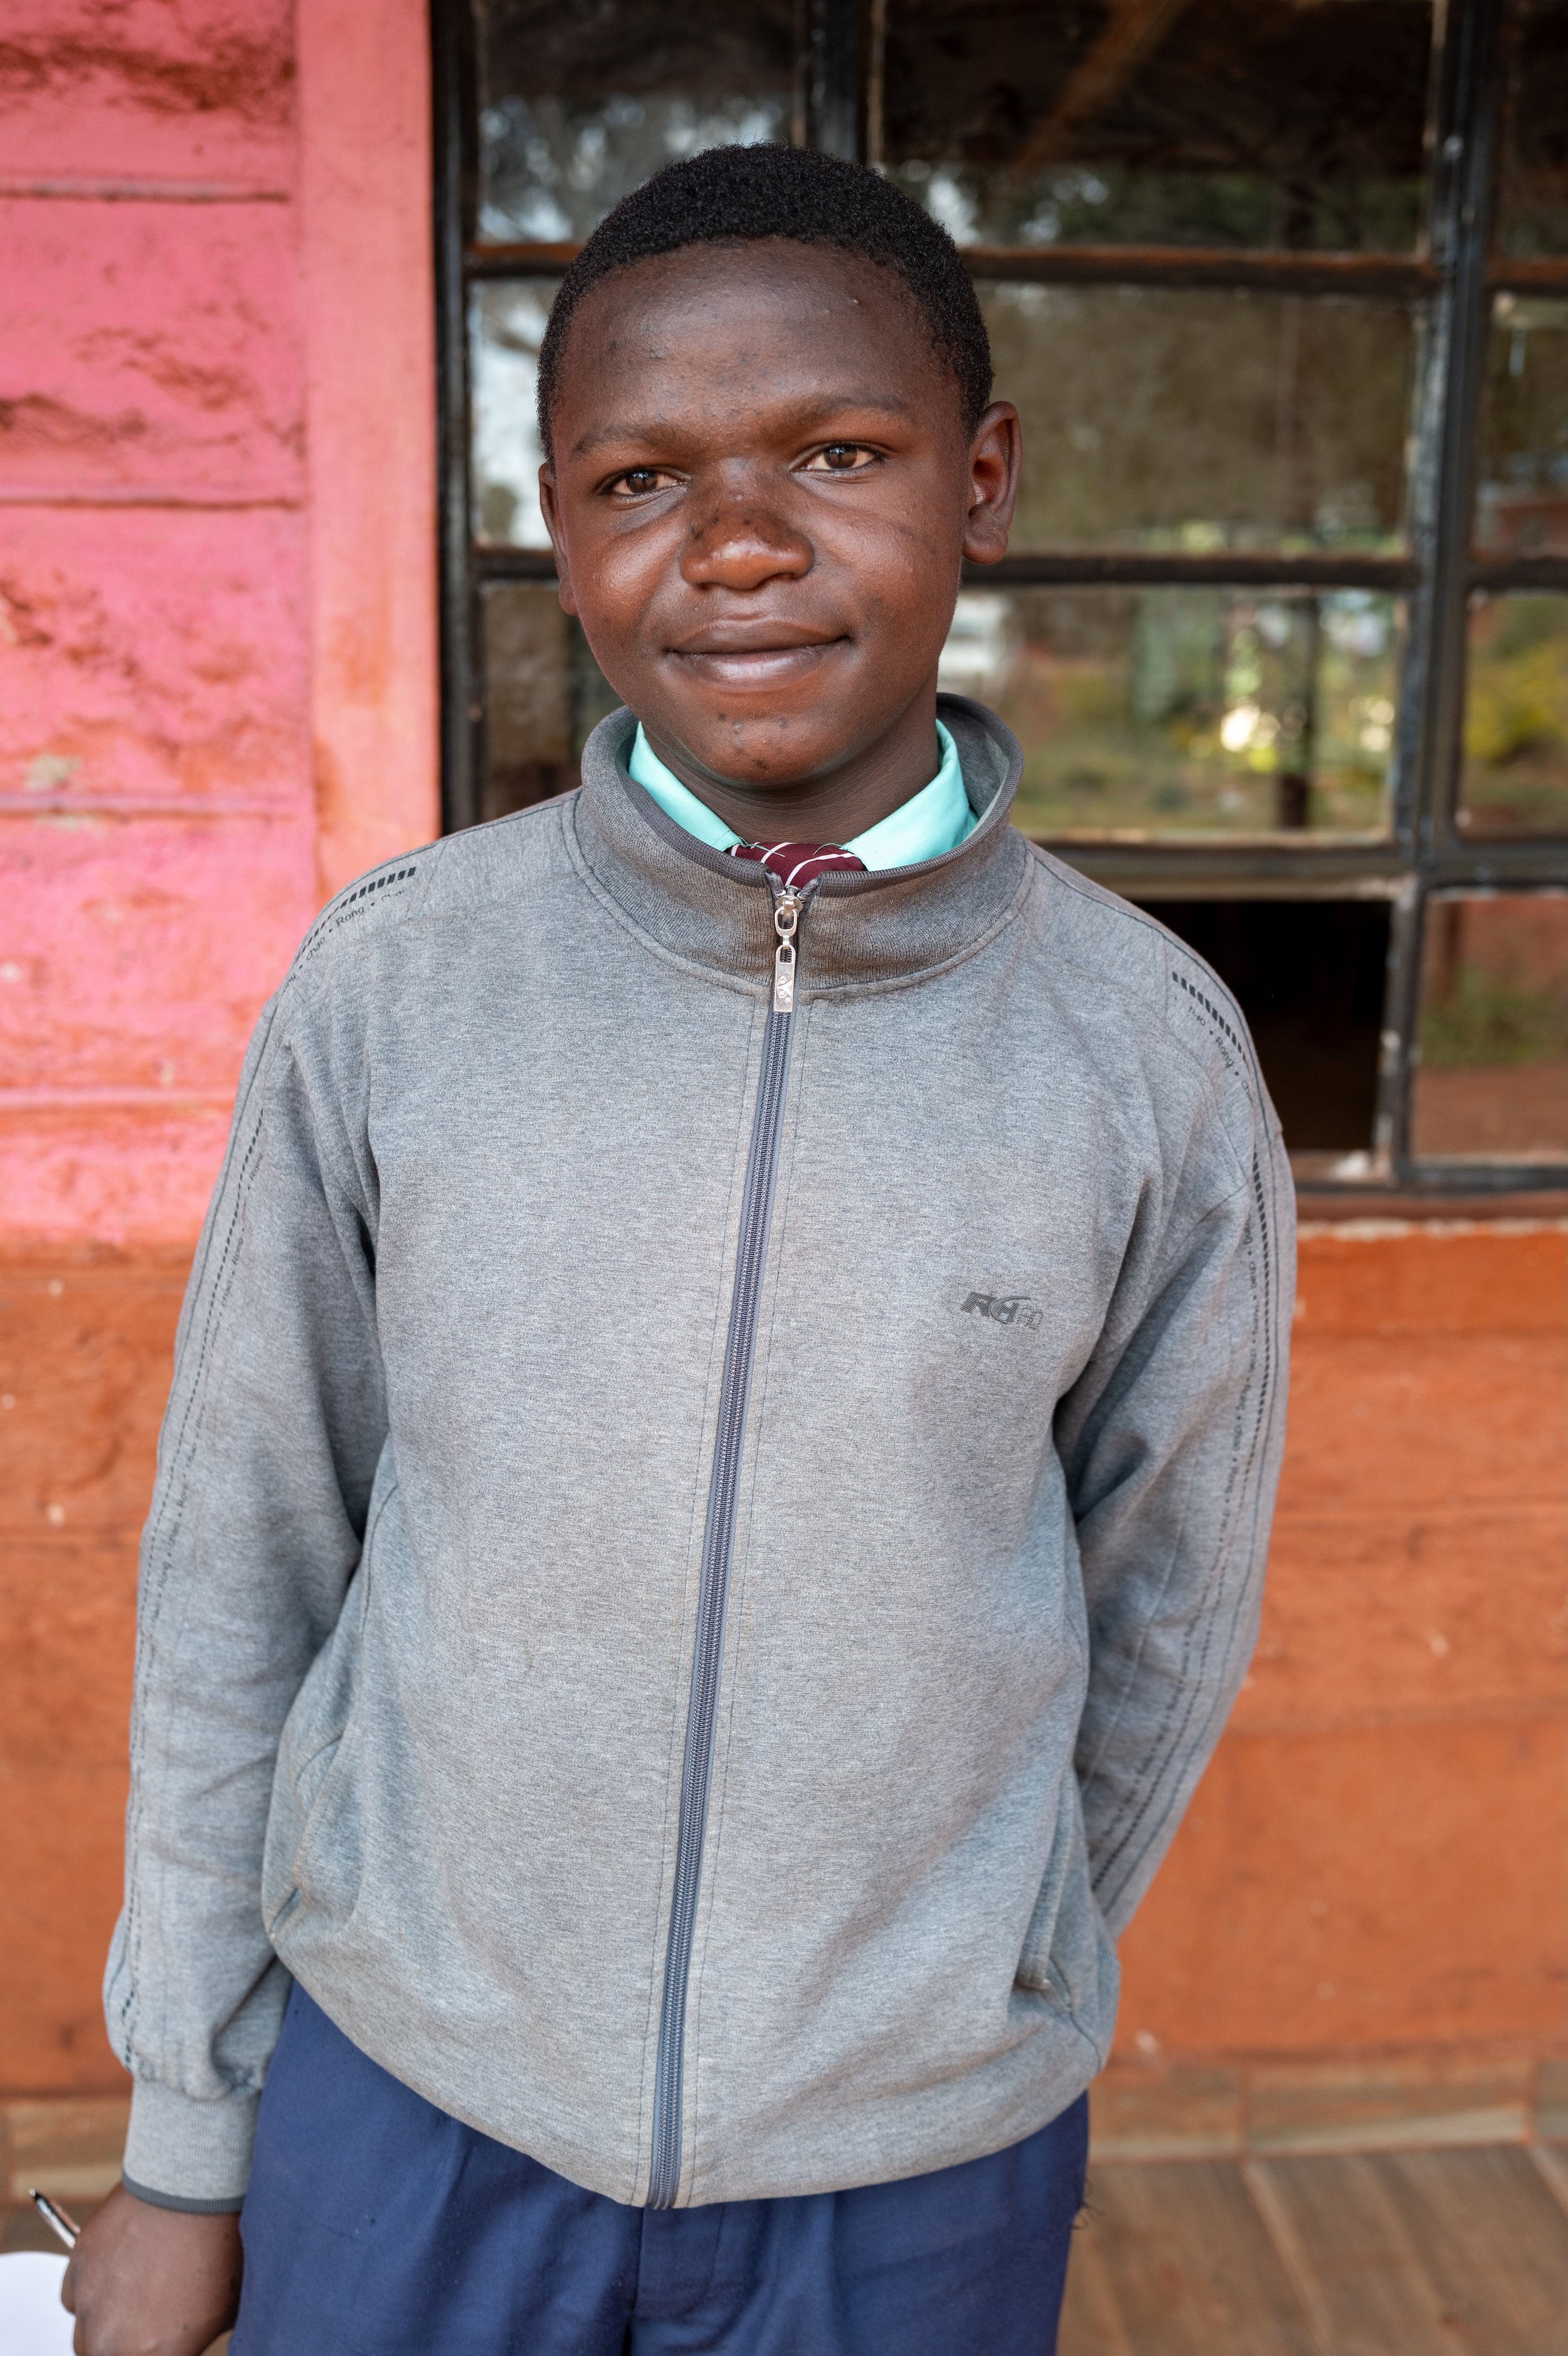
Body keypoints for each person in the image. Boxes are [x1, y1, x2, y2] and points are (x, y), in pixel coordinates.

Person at [63, 144, 1293, 2356]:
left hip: (907, 2173)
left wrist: (959, 1983)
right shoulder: (398, 990)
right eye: (642, 476)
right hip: (410, 2105)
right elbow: (245, 1558)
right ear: (561, 524)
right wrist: (184, 2138)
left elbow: (1159, 1601)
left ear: (982, 477)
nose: (737, 545)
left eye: (838, 453)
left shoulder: (1144, 1057)